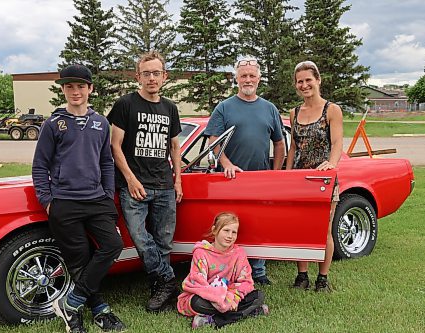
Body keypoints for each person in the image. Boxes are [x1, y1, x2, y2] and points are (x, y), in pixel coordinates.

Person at [32, 64, 125, 332]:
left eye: (81, 86)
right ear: (62, 89)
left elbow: (107, 162)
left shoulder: (100, 123)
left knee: (112, 244)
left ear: (90, 89)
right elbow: (40, 166)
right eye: (69, 86)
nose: (75, 91)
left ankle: (70, 303)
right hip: (64, 201)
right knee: (80, 259)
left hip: (96, 199)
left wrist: (107, 194)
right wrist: (47, 200)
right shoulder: (53, 124)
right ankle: (97, 310)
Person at [107, 51, 182, 312]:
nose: (152, 78)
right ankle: (170, 281)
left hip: (164, 185)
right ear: (138, 76)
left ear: (165, 76)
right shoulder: (125, 104)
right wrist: (130, 179)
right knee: (140, 238)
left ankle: (160, 290)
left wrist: (178, 181)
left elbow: (174, 147)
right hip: (134, 186)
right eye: (146, 73)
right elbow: (115, 146)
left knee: (163, 242)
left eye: (156, 73)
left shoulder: (170, 107)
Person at [204, 57, 285, 285]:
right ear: (236, 79)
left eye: (252, 76)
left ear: (259, 79)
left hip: (261, 179)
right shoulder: (224, 107)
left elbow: (279, 143)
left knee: (259, 224)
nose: (247, 79)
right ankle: (228, 270)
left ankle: (258, 271)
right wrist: (227, 163)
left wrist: (275, 174)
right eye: (243, 76)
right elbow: (213, 141)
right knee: (229, 227)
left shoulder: (269, 109)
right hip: (230, 179)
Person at [286, 60, 344, 292]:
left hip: (323, 179)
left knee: (323, 229)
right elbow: (293, 146)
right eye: (300, 81)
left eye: (308, 80)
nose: (304, 85)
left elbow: (338, 141)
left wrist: (331, 164)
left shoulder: (332, 109)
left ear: (318, 80)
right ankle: (302, 276)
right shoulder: (294, 112)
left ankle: (322, 277)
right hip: (300, 178)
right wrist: (287, 174)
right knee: (300, 228)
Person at [177, 212, 269, 329]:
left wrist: (232, 298)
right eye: (226, 230)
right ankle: (249, 312)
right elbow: (198, 283)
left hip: (230, 295)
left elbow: (246, 282)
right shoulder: (201, 252)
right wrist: (220, 300)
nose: (230, 236)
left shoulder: (239, 254)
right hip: (207, 297)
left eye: (234, 232)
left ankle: (211, 320)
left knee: (258, 296)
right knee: (196, 303)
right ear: (215, 230)